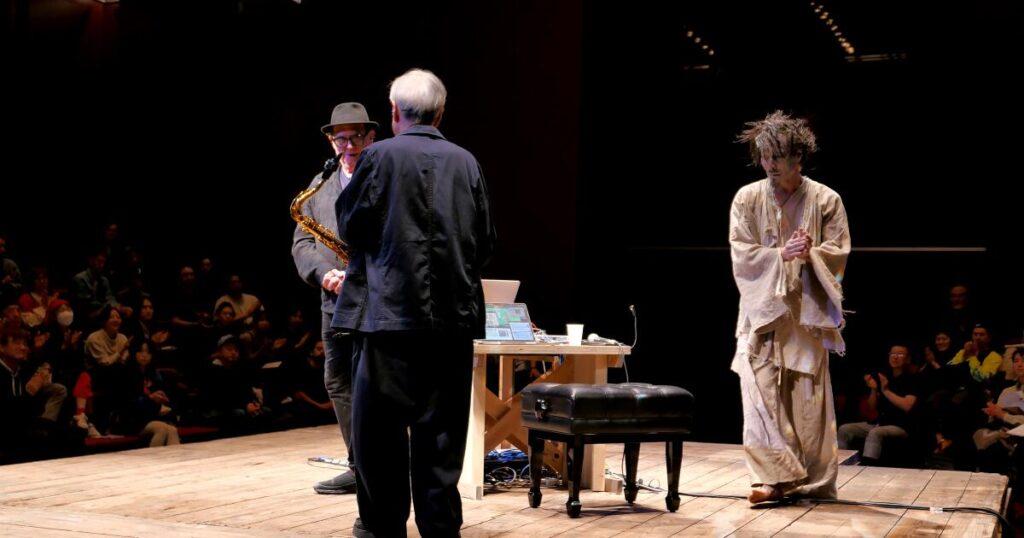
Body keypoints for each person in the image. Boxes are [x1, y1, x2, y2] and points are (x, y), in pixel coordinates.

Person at [333, 69, 495, 537]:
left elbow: (351, 228)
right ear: (440, 113)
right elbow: (485, 242)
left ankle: (384, 529)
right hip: (451, 327)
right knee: (441, 443)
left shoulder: (377, 156)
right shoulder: (467, 162)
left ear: (393, 112)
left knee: (379, 444)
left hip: (387, 323)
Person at [729, 110, 851, 503]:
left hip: (805, 312)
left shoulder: (826, 199)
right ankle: (771, 477)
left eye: (778, 157)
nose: (770, 164)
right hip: (762, 309)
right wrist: (780, 254)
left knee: (807, 400)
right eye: (765, 156)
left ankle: (809, 480)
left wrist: (810, 253)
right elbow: (742, 252)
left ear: (798, 157)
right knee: (758, 391)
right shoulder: (747, 198)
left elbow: (838, 252)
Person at [292, 101, 377, 494]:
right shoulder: (320, 183)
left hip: (375, 301)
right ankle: (360, 466)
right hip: (334, 301)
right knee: (338, 381)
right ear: (331, 142)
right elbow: (302, 243)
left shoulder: (385, 179)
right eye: (340, 139)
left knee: (372, 386)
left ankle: (379, 467)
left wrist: (357, 273)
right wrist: (323, 274)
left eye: (356, 137)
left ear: (370, 137)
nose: (349, 146)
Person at [838, 345, 919, 465]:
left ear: (908, 359)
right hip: (880, 422)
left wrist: (885, 390)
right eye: (892, 354)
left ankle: (867, 468)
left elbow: (907, 406)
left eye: (900, 354)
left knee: (875, 433)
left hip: (901, 425)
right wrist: (874, 389)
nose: (895, 357)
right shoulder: (885, 377)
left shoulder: (912, 379)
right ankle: (843, 465)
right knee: (844, 429)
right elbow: (872, 407)